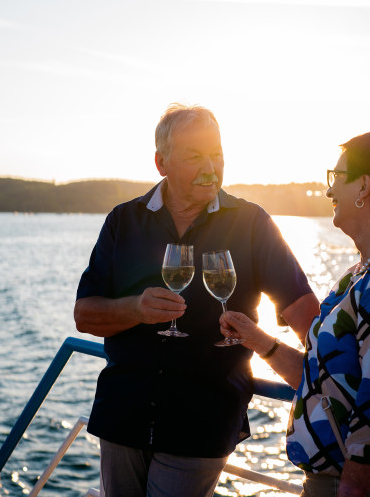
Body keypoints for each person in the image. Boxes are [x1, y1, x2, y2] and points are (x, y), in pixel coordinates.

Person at [74, 103, 320, 497]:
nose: (211, 166)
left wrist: (342, 373)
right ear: (161, 163)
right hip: (122, 414)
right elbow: (85, 315)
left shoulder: (251, 223)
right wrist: (136, 309)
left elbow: (309, 320)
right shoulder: (123, 221)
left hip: (202, 422)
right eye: (194, 156)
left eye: (217, 154)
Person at [221, 131, 370, 497]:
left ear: (364, 187)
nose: (329, 192)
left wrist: (350, 491)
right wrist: (258, 340)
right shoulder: (364, 272)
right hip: (341, 479)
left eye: (337, 178)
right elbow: (324, 378)